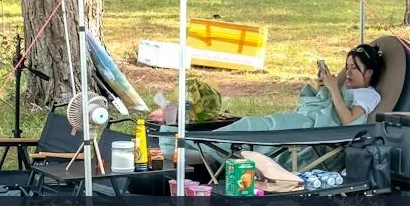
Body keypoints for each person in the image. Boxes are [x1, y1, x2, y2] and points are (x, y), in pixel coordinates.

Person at [150, 42, 385, 131]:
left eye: (354, 68)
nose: (349, 72)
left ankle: (196, 145)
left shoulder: (368, 95)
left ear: (370, 72)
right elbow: (325, 105)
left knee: (254, 126)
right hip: (306, 119)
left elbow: (350, 122)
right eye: (347, 67)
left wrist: (334, 89)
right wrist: (324, 87)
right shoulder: (348, 89)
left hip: (313, 129)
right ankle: (195, 142)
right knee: (257, 123)